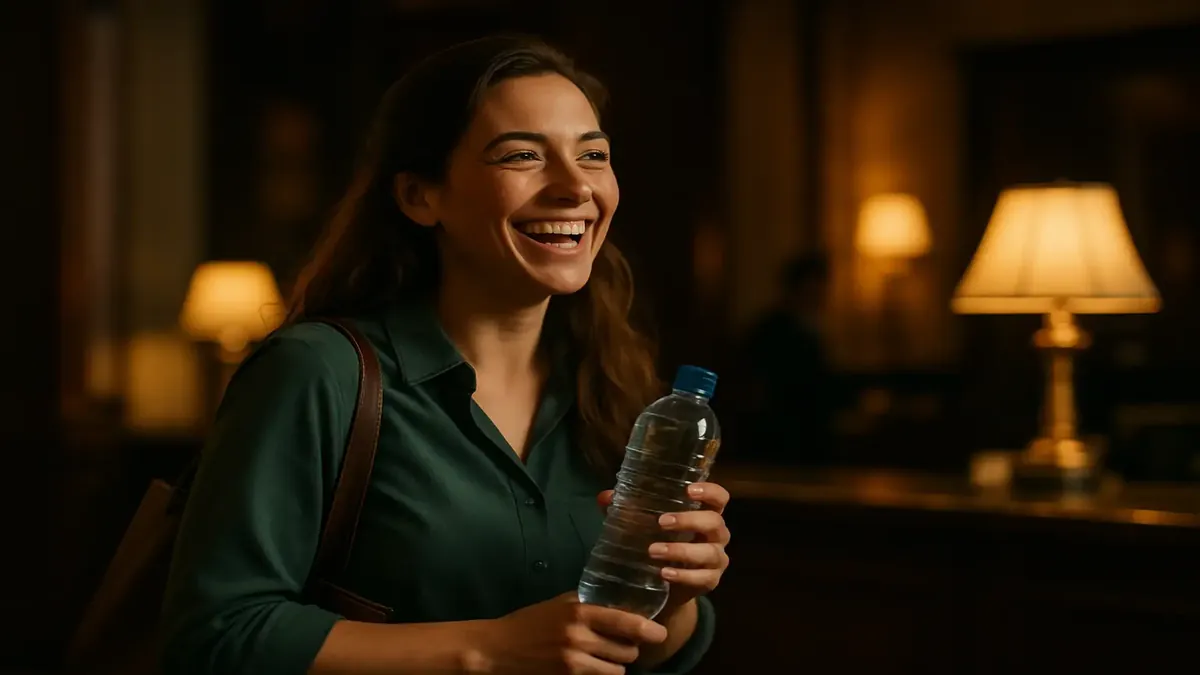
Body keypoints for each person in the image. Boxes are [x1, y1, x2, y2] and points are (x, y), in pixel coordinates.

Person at [160, 35, 730, 675]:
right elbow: (214, 637)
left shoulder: (620, 390)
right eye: (522, 155)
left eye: (593, 155)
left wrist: (673, 600)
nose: (575, 187)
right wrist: (488, 650)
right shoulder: (318, 371)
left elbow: (647, 648)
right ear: (418, 197)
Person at [738, 253, 837, 465]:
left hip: (806, 430)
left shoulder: (809, 328)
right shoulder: (773, 331)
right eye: (812, 287)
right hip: (782, 433)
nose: (819, 294)